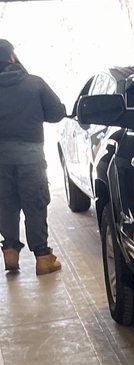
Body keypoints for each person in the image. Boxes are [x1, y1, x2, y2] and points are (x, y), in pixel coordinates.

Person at [0, 40, 66, 275]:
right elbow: (57, 113)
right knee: (35, 205)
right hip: (31, 159)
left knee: (5, 205)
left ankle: (10, 254)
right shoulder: (34, 83)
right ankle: (43, 258)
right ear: (11, 57)